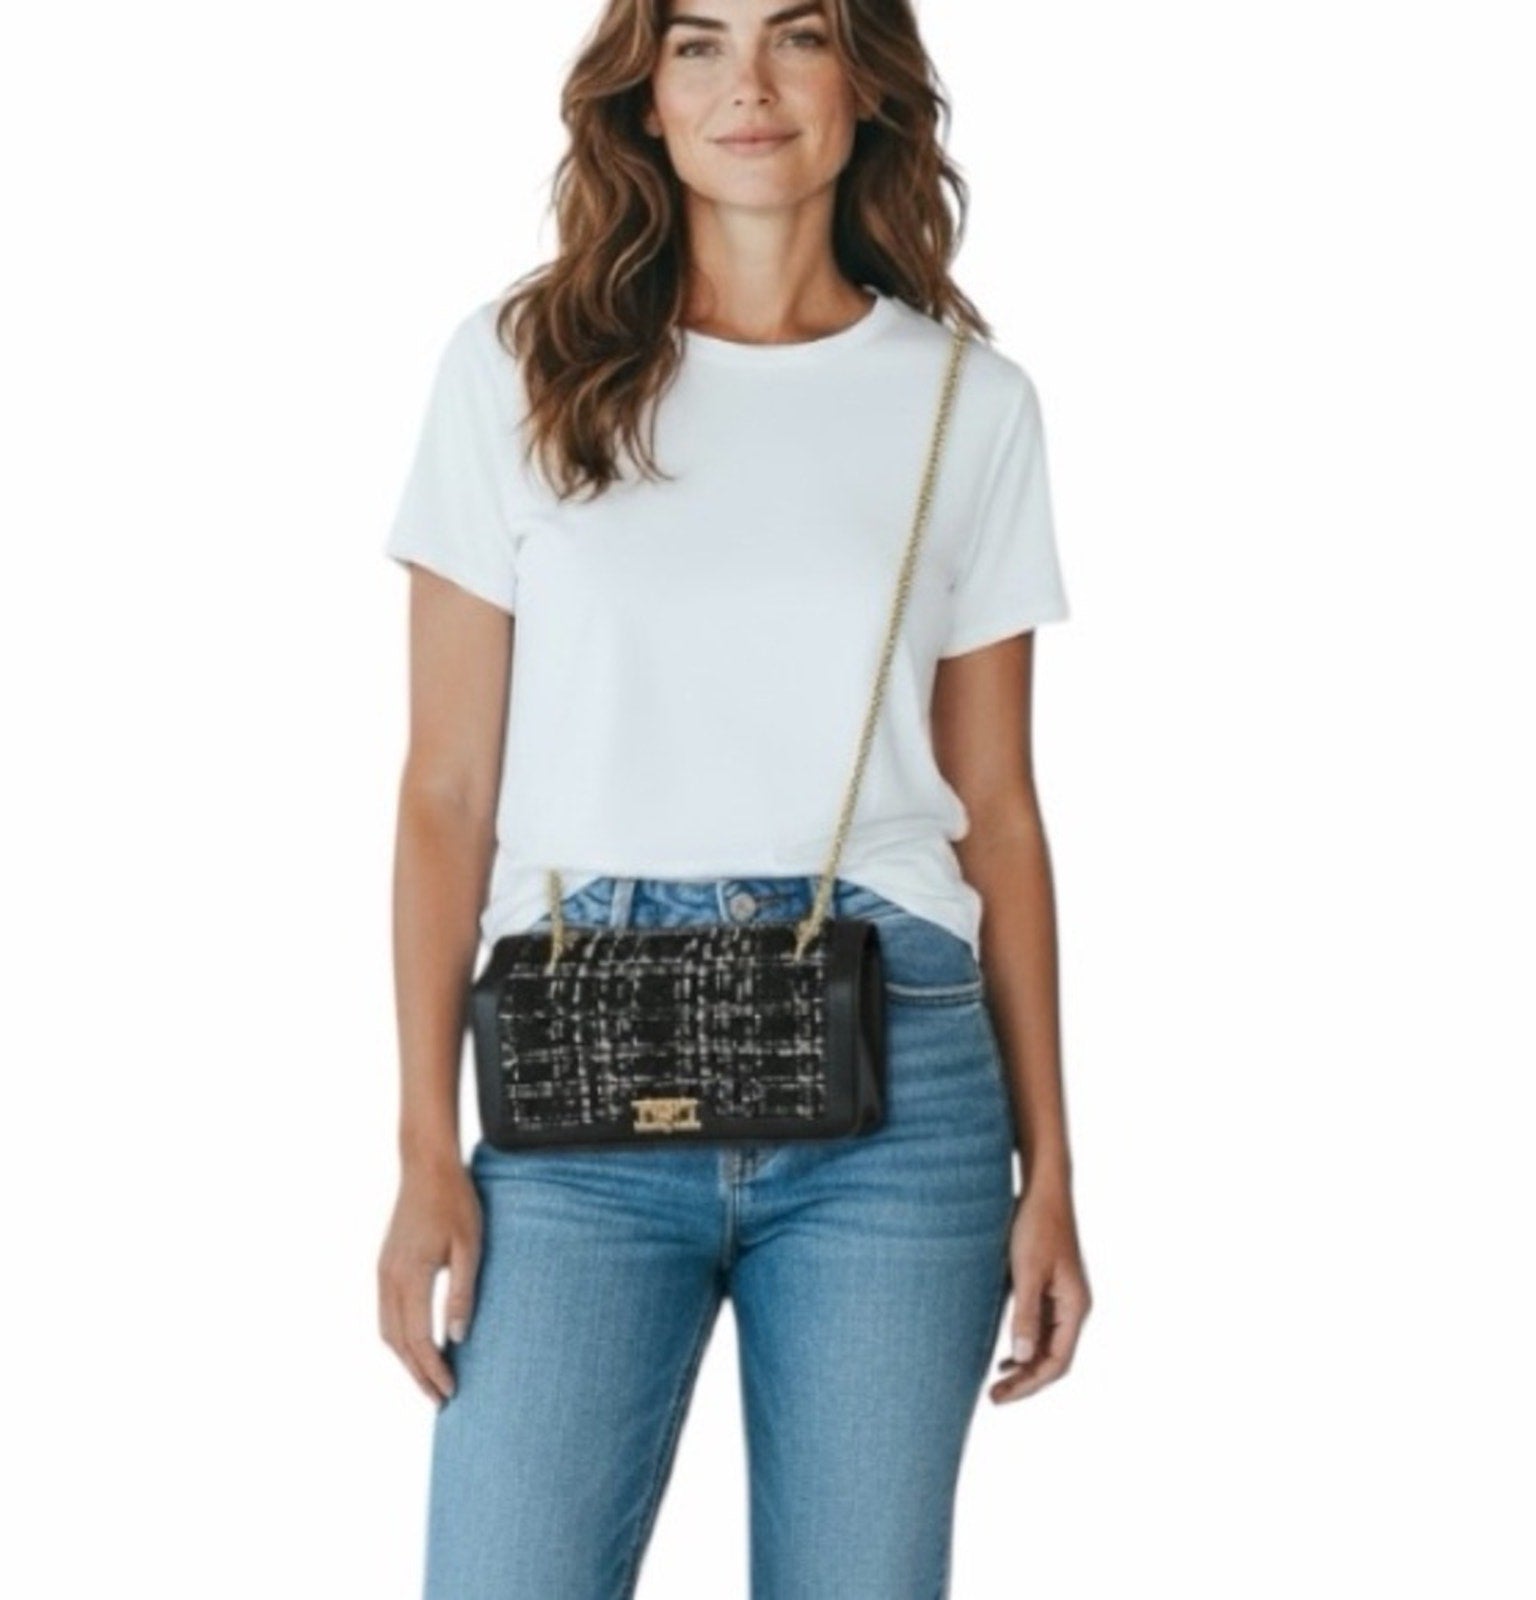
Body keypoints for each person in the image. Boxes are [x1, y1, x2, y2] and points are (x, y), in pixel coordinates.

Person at [377, 1, 1092, 1594]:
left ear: (867, 83)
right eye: (698, 44)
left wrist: (1052, 1170)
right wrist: (427, 1146)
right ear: (644, 93)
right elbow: (446, 789)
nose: (748, 87)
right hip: (574, 1072)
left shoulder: (968, 403)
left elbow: (999, 809)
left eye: (800, 37)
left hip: (899, 1084)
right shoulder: (517, 365)